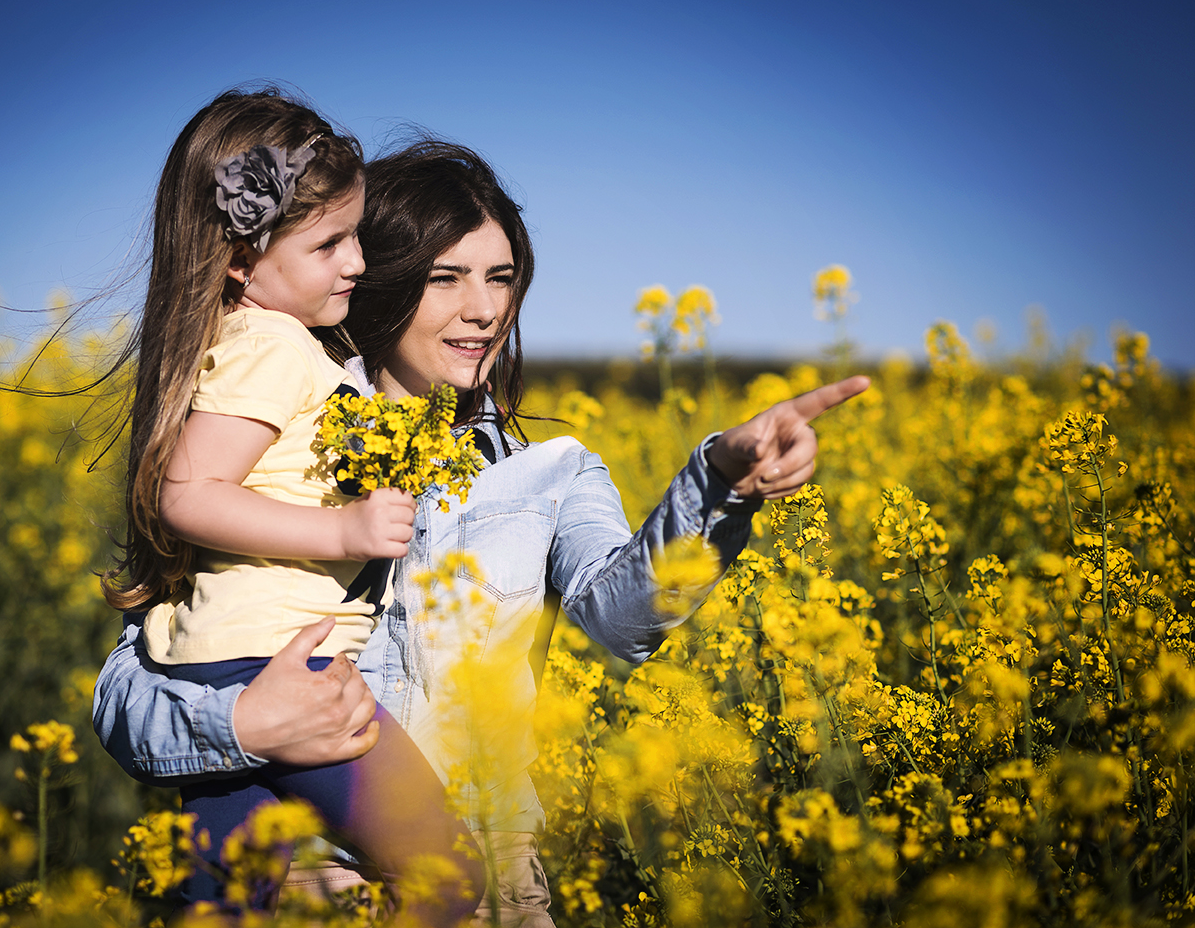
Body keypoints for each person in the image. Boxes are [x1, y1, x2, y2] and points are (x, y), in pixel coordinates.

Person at [94, 139, 869, 926]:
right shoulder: (270, 451)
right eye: (447, 278)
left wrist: (721, 481)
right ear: (378, 278)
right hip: (307, 885)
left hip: (488, 887)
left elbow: (622, 622)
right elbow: (127, 696)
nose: (485, 309)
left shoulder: (553, 473)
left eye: (501, 278)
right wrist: (241, 725)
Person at [102, 91, 483, 921]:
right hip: (279, 664)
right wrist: (342, 530)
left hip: (228, 664)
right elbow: (187, 494)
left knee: (225, 906)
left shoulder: (254, 341)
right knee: (449, 880)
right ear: (242, 258)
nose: (357, 263)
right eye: (328, 243)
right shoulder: (275, 347)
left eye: (355, 236)